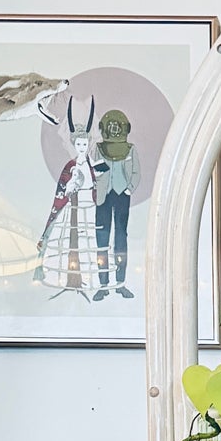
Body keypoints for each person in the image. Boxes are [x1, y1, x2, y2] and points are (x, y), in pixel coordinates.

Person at [33, 97, 100, 300]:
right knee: (69, 239)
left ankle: (88, 278)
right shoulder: (71, 166)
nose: (82, 146)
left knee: (89, 239)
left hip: (88, 205)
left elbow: (95, 181)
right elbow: (64, 188)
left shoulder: (91, 163)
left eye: (84, 143)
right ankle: (65, 277)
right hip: (72, 206)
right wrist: (72, 186)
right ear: (74, 143)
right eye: (78, 143)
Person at [92, 110, 141, 300]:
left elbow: (136, 172)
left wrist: (129, 188)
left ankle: (120, 283)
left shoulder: (130, 149)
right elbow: (94, 169)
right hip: (103, 196)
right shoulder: (98, 149)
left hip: (122, 196)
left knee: (121, 238)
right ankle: (103, 284)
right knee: (101, 239)